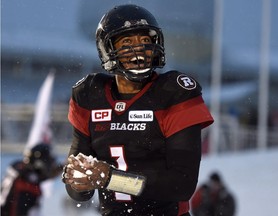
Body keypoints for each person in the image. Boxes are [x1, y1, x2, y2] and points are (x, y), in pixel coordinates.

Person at [62, 4, 214, 216]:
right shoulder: (89, 95)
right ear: (107, 49)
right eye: (127, 42)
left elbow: (182, 185)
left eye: (145, 41)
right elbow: (78, 193)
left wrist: (111, 179)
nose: (139, 50)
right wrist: (80, 181)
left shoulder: (173, 92)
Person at [1, 143, 63, 216]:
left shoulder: (19, 167)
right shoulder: (26, 178)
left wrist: (63, 167)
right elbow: (43, 175)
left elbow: (41, 175)